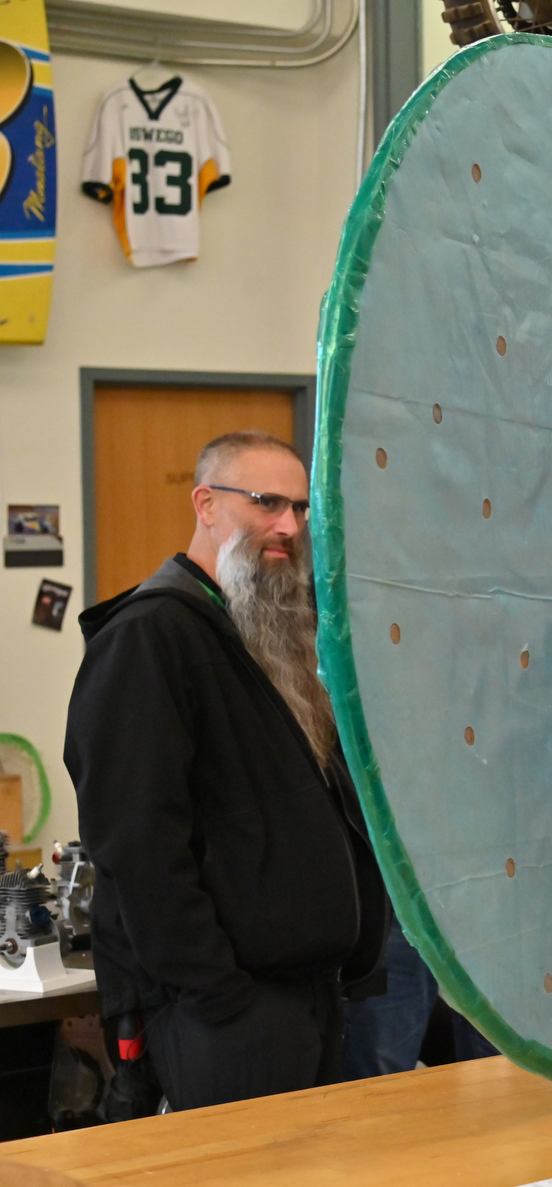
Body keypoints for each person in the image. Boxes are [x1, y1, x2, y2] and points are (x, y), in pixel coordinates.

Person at [65, 431, 388, 1111]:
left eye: (300, 508)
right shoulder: (150, 636)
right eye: (267, 502)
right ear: (206, 504)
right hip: (226, 1014)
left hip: (304, 998)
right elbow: (136, 843)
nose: (288, 526)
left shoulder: (262, 632)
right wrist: (217, 991)